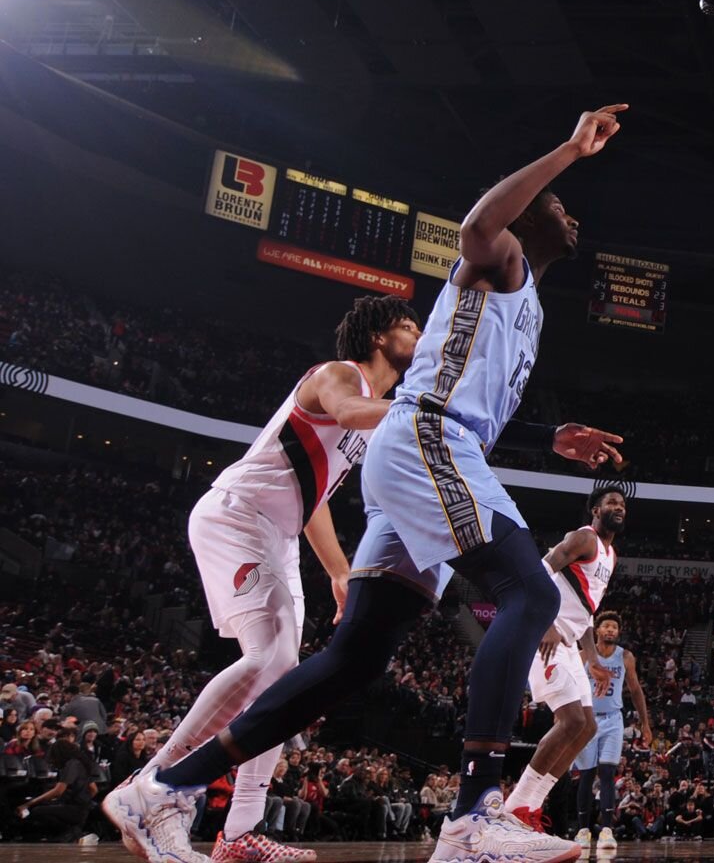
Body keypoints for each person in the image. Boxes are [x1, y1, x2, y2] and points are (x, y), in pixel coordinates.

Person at [107, 108, 631, 863]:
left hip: (428, 450)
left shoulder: (528, 311)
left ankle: (167, 787)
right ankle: (475, 815)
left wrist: (549, 437)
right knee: (533, 594)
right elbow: (479, 224)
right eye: (561, 202)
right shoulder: (501, 258)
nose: (570, 211)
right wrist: (567, 152)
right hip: (428, 446)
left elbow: (462, 399)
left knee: (356, 656)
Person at [135, 294, 419, 863]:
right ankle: (156, 786)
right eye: (409, 324)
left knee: (284, 680)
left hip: (280, 535)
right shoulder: (343, 376)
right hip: (239, 514)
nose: (419, 331)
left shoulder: (373, 413)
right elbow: (344, 411)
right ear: (379, 338)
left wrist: (339, 573)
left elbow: (313, 501)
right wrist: (424, 412)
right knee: (268, 660)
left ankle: (238, 833)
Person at [500, 487, 650, 848]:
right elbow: (539, 570)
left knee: (586, 728)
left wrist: (594, 661)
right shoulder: (584, 537)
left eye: (623, 504)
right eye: (612, 502)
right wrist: (544, 620)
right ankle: (514, 809)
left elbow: (586, 612)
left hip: (570, 643)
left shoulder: (610, 555)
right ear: (596, 509)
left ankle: (530, 809)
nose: (619, 507)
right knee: (571, 721)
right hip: (545, 634)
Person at [565, 614, 652, 850]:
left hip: (613, 719)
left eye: (615, 627)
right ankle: (583, 830)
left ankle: (606, 830)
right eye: (606, 626)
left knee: (606, 773)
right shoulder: (584, 655)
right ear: (597, 631)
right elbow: (569, 688)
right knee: (586, 774)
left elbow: (635, 690)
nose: (611, 630)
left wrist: (645, 723)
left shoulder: (625, 656)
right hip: (587, 720)